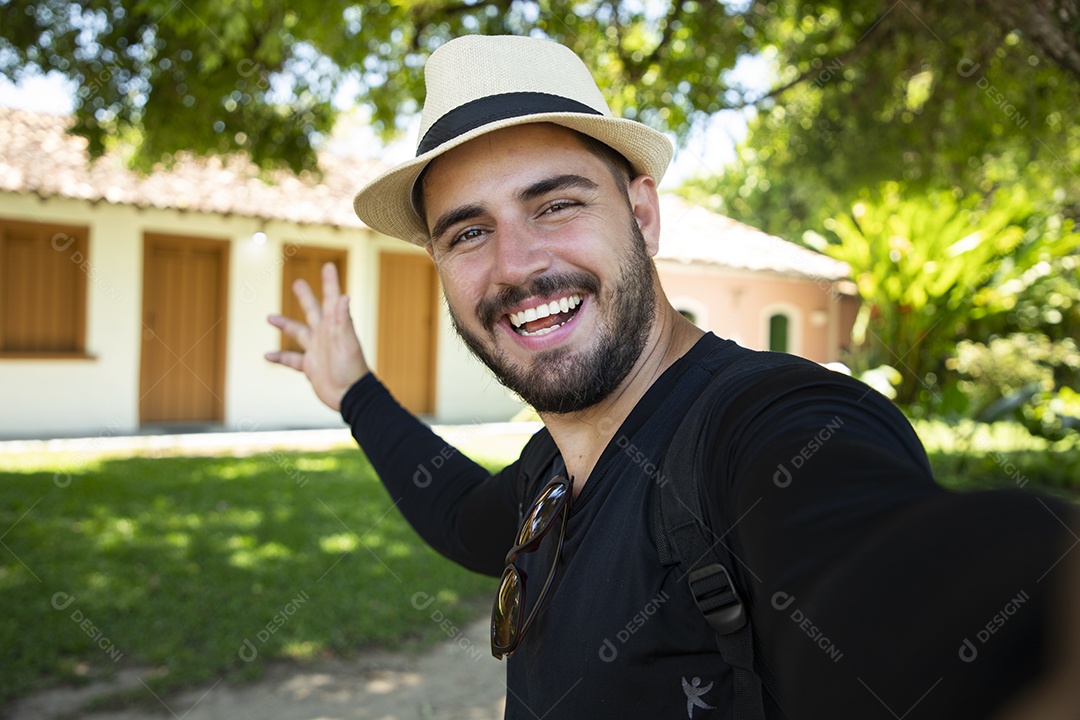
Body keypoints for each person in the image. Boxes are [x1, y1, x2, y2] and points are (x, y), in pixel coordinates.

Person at [265, 34, 1079, 719]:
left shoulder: (767, 426)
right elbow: (460, 517)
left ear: (643, 215)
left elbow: (884, 574)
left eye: (555, 205)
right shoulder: (549, 475)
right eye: (468, 232)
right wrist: (354, 392)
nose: (516, 265)